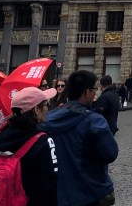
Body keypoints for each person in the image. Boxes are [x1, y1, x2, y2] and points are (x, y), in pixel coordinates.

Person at [42, 70, 118, 206]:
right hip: (90, 191)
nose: (96, 93)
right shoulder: (94, 121)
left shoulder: (48, 118)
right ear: (87, 92)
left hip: (59, 192)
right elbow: (110, 153)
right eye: (94, 89)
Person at [0, 86, 59, 206]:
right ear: (36, 110)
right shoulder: (43, 141)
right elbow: (50, 185)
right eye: (45, 105)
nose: (47, 108)